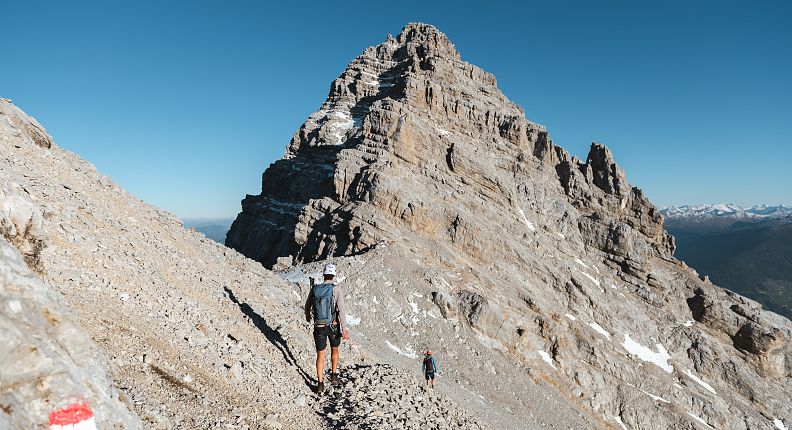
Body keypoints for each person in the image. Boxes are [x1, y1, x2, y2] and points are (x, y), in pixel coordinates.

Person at [304, 263, 349, 393]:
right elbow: (341, 310)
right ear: (333, 275)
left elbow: (307, 305)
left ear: (324, 274)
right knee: (334, 349)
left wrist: (308, 317)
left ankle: (320, 384)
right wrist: (344, 328)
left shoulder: (315, 289)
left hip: (319, 326)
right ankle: (334, 377)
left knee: (320, 354)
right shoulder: (337, 289)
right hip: (333, 326)